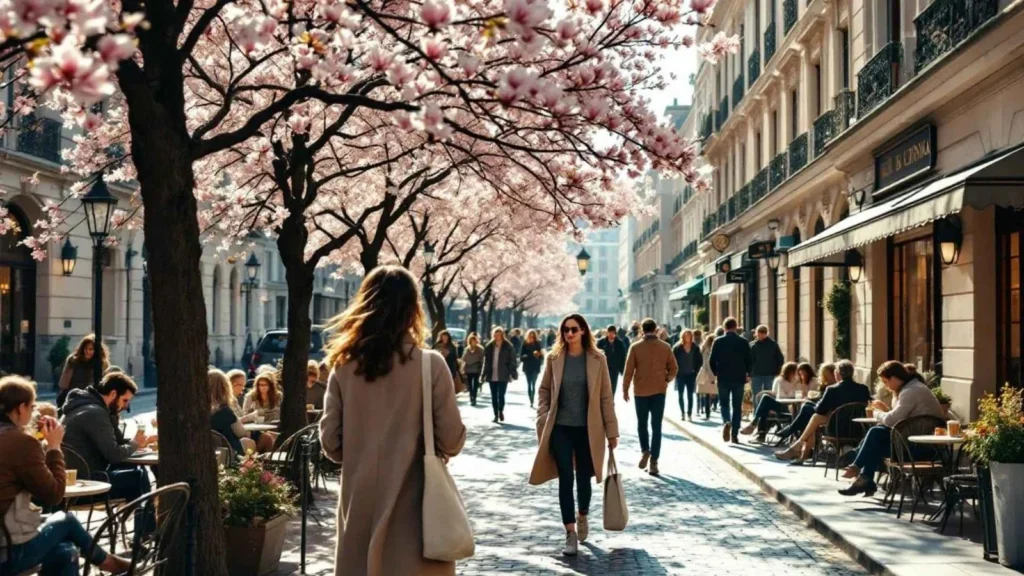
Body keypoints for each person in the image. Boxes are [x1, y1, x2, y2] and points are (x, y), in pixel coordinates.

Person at [318, 265, 466, 576]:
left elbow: (331, 443)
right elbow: (452, 440)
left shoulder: (343, 366)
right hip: (416, 513)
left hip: (360, 505)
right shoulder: (431, 365)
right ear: (413, 308)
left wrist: (362, 452)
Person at [0, 376, 132, 576]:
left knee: (65, 551)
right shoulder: (22, 443)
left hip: (8, 539)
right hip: (9, 551)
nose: (34, 412)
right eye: (32, 407)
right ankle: (109, 563)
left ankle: (109, 562)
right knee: (66, 519)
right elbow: (54, 495)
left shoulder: (16, 440)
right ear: (20, 408)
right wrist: (54, 447)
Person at [529, 314, 619, 557]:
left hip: (588, 430)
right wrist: (543, 416)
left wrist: (612, 431)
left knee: (584, 479)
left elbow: (605, 397)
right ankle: (569, 533)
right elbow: (544, 389)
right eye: (566, 330)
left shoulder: (597, 359)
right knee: (565, 479)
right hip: (560, 428)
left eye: (574, 330)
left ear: (583, 331)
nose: (569, 334)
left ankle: (582, 515)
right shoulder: (554, 358)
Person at [837, 361, 945, 495]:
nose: (885, 386)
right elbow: (896, 421)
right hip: (912, 443)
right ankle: (862, 473)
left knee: (875, 435)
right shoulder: (912, 388)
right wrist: (886, 412)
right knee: (876, 436)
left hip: (920, 448)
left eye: (885, 381)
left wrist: (876, 413)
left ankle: (857, 463)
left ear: (893, 378)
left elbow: (891, 420)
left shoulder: (911, 391)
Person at [61, 372, 154, 503]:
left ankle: (143, 518)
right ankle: (147, 521)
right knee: (138, 477)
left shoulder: (84, 406)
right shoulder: (95, 413)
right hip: (84, 484)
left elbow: (116, 442)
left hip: (76, 478)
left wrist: (135, 442)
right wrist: (134, 444)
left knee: (136, 470)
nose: (126, 406)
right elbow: (114, 454)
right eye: (125, 400)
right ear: (113, 394)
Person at [775, 360, 871, 462]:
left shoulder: (832, 389)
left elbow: (819, 410)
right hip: (857, 428)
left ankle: (799, 448)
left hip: (836, 429)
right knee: (815, 420)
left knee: (815, 419)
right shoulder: (863, 388)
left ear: (837, 373)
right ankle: (801, 453)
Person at [622, 318, 678, 475]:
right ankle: (654, 462)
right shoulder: (665, 347)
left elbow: (628, 370)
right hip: (659, 390)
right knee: (657, 426)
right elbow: (674, 368)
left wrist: (625, 389)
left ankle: (645, 450)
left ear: (642, 330)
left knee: (642, 424)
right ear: (656, 329)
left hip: (640, 390)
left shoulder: (635, 347)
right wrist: (666, 379)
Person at [709, 317, 752, 443]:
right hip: (739, 378)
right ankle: (734, 434)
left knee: (724, 403)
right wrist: (748, 373)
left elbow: (712, 360)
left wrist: (716, 373)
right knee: (737, 406)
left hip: (723, 377)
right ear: (735, 327)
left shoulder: (718, 341)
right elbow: (749, 360)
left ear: (724, 327)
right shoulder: (743, 342)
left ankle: (726, 421)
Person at [739, 362, 802, 443]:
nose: (797, 374)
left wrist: (794, 385)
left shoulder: (798, 381)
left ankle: (755, 427)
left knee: (765, 403)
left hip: (791, 408)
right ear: (790, 372)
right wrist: (792, 390)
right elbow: (779, 395)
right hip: (782, 406)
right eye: (796, 372)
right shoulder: (779, 380)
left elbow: (797, 394)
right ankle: (759, 432)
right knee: (765, 404)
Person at [56, 334, 110, 408]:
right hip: (73, 397)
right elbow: (64, 384)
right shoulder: (73, 360)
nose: (87, 351)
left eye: (91, 349)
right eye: (85, 349)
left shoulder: (102, 363)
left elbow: (104, 383)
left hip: (92, 399)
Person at [208, 369, 253, 457]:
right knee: (250, 442)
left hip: (209, 449)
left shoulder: (197, 411)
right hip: (228, 452)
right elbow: (241, 432)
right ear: (225, 387)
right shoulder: (225, 411)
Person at [480, 326, 518, 423]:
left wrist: (513, 372)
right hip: (492, 374)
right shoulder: (489, 346)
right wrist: (483, 375)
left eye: (499, 335)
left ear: (502, 335)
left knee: (501, 395)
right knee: (493, 395)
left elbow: (512, 360)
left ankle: (500, 410)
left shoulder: (508, 346)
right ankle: (495, 414)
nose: (497, 337)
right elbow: (486, 361)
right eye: (496, 335)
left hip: (503, 374)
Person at [241, 372, 280, 452]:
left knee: (276, 436)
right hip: (255, 428)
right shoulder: (250, 396)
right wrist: (255, 414)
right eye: (260, 385)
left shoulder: (278, 396)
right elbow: (245, 414)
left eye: (265, 385)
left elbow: (279, 412)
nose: (262, 387)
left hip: (272, 425)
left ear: (270, 386)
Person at [672, 330, 703, 421]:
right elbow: (672, 360)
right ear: (683, 336)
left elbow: (699, 360)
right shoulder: (677, 347)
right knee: (680, 394)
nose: (688, 337)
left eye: (689, 335)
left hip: (691, 375)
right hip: (680, 375)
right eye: (686, 335)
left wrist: (696, 371)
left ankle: (689, 413)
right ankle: (682, 413)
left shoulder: (695, 347)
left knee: (690, 395)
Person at [749, 325, 784, 397]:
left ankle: (764, 408)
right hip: (759, 374)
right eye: (757, 334)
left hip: (766, 374)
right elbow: (749, 360)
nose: (758, 336)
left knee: (763, 394)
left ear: (765, 334)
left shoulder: (772, 345)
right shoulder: (753, 345)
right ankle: (761, 408)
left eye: (759, 334)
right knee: (760, 394)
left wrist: (777, 371)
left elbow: (780, 359)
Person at [596, 325, 628, 395]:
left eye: (613, 333)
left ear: (615, 333)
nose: (611, 334)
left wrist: (622, 369)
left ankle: (611, 402)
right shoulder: (601, 342)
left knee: (612, 387)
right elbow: (596, 355)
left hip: (614, 369)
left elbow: (622, 356)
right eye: (609, 332)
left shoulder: (619, 343)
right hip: (603, 368)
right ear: (607, 332)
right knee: (603, 387)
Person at [520, 330, 545, 408]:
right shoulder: (525, 343)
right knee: (529, 383)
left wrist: (539, 355)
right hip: (527, 366)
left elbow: (541, 356)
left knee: (533, 384)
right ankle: (530, 399)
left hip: (535, 365)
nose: (531, 337)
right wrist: (528, 355)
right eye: (530, 335)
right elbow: (521, 356)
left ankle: (533, 399)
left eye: (533, 336)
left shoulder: (538, 344)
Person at [695, 334, 717, 420]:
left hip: (705, 373)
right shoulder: (709, 351)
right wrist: (712, 377)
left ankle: (703, 411)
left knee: (705, 394)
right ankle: (707, 412)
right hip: (709, 374)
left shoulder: (704, 349)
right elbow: (707, 364)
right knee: (708, 394)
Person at [462, 333, 485, 407]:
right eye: (471, 341)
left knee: (475, 384)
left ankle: (474, 398)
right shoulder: (467, 349)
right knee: (469, 385)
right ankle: (471, 396)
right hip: (468, 369)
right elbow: (464, 359)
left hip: (476, 369)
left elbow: (482, 360)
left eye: (474, 341)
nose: (473, 342)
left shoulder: (480, 349)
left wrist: (481, 370)